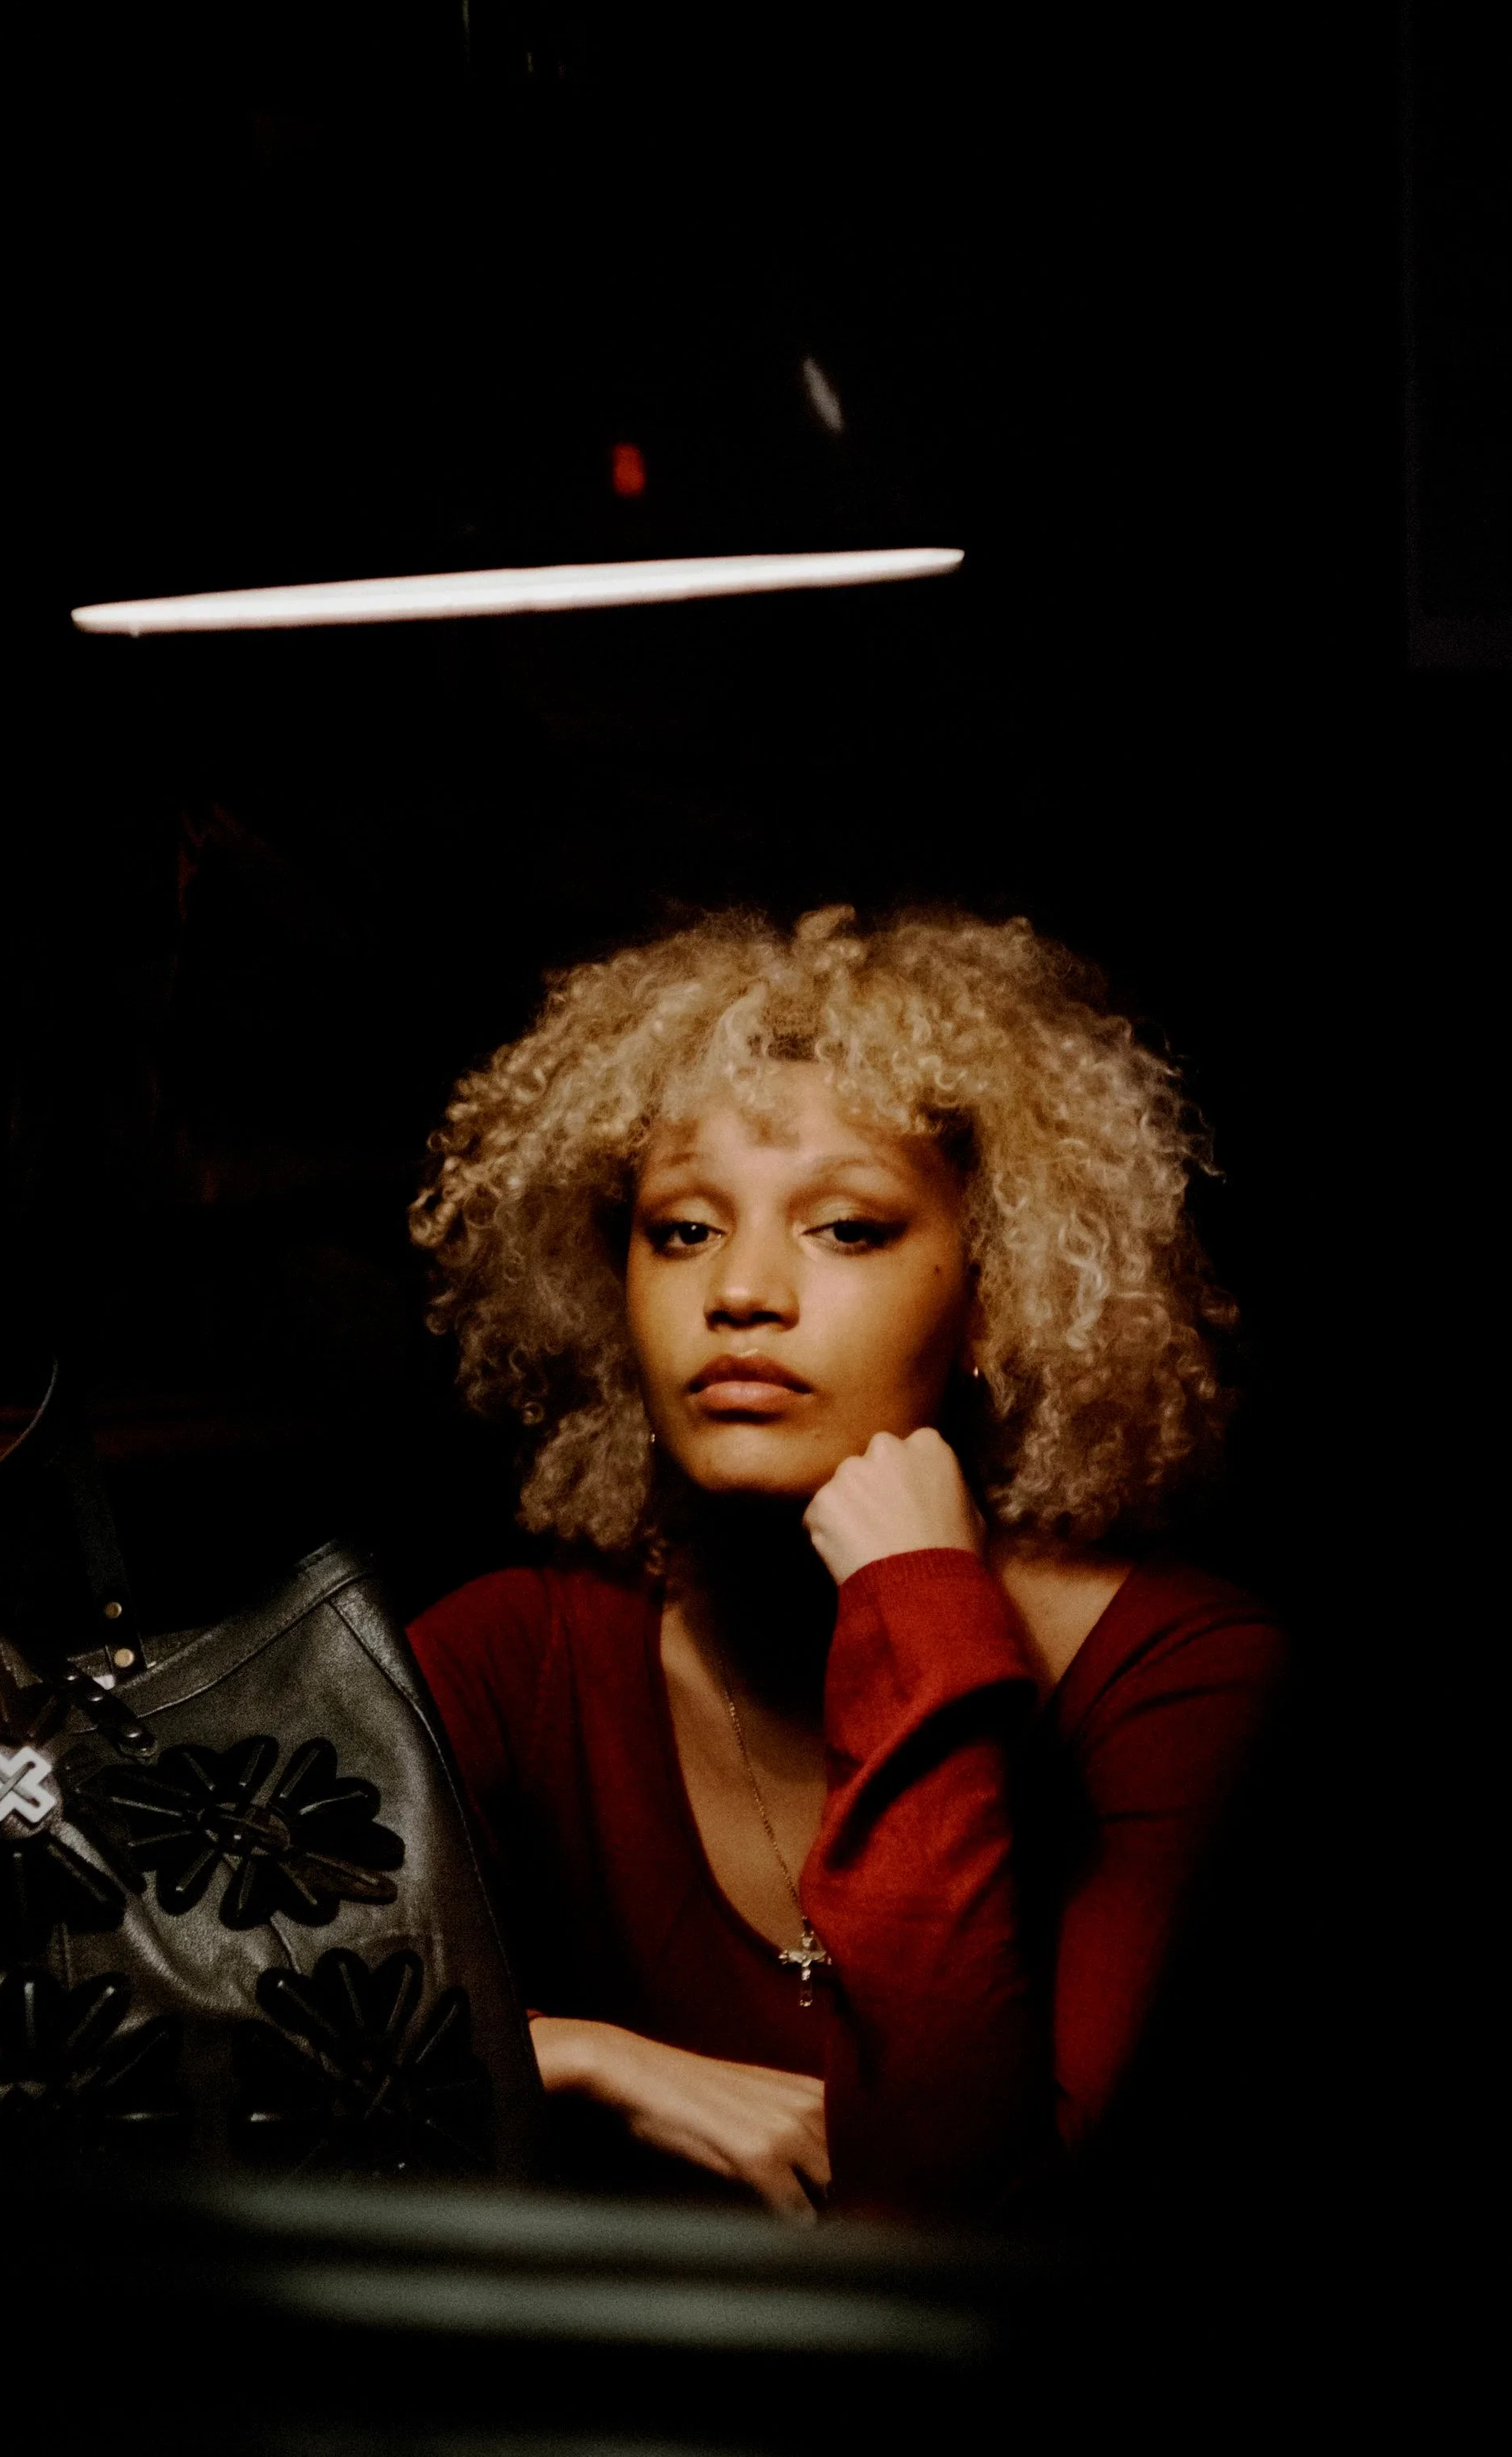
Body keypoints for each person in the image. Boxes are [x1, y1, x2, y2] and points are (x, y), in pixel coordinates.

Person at [405, 905, 1286, 2221]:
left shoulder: (1176, 1680)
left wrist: (921, 1607)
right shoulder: (518, 1655)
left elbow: (959, 2219)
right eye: (684, 1229)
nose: (742, 1292)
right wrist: (576, 2055)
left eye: (848, 1228)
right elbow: (179, 2045)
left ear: (994, 1297)